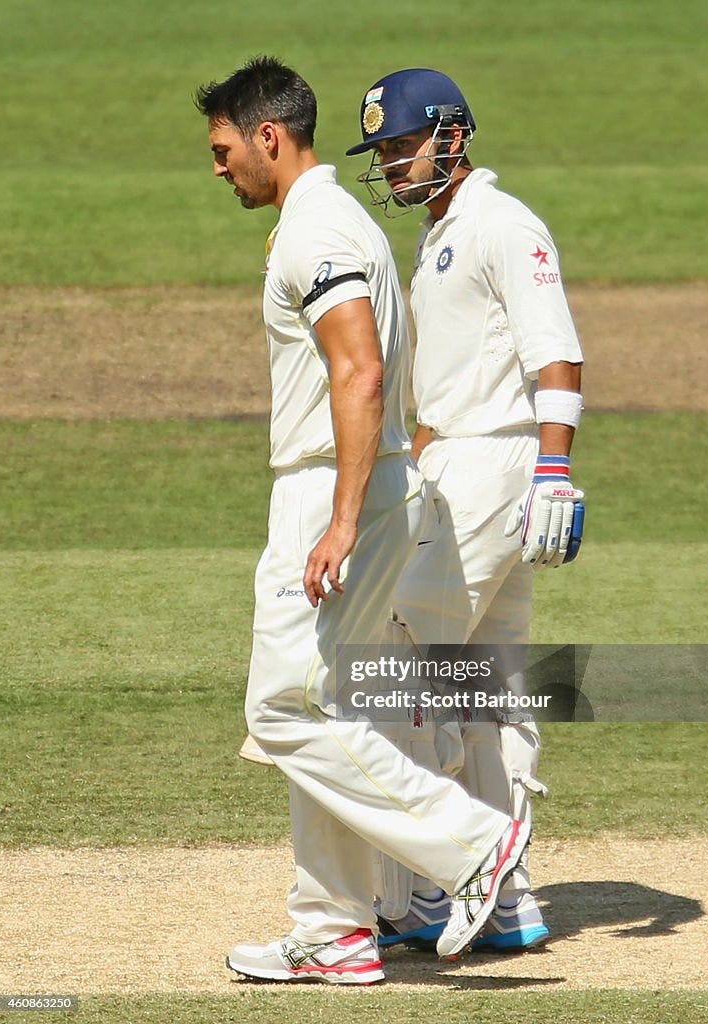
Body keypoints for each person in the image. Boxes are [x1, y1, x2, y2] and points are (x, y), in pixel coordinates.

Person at [195, 56, 530, 985]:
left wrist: (338, 519)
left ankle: (469, 844)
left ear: (268, 136)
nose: (218, 167)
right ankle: (335, 928)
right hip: (352, 483)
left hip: (332, 489)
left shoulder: (319, 232)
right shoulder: (327, 222)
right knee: (322, 708)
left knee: (283, 707)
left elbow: (361, 371)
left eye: (225, 149)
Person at [344, 68, 586, 953]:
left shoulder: (500, 222)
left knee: (402, 660)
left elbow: (555, 354)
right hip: (458, 466)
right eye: (381, 152)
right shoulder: (444, 229)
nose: (392, 164)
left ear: (452, 135)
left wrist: (552, 469)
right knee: (488, 683)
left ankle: (428, 887)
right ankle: (510, 895)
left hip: (490, 465)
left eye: (401, 145)